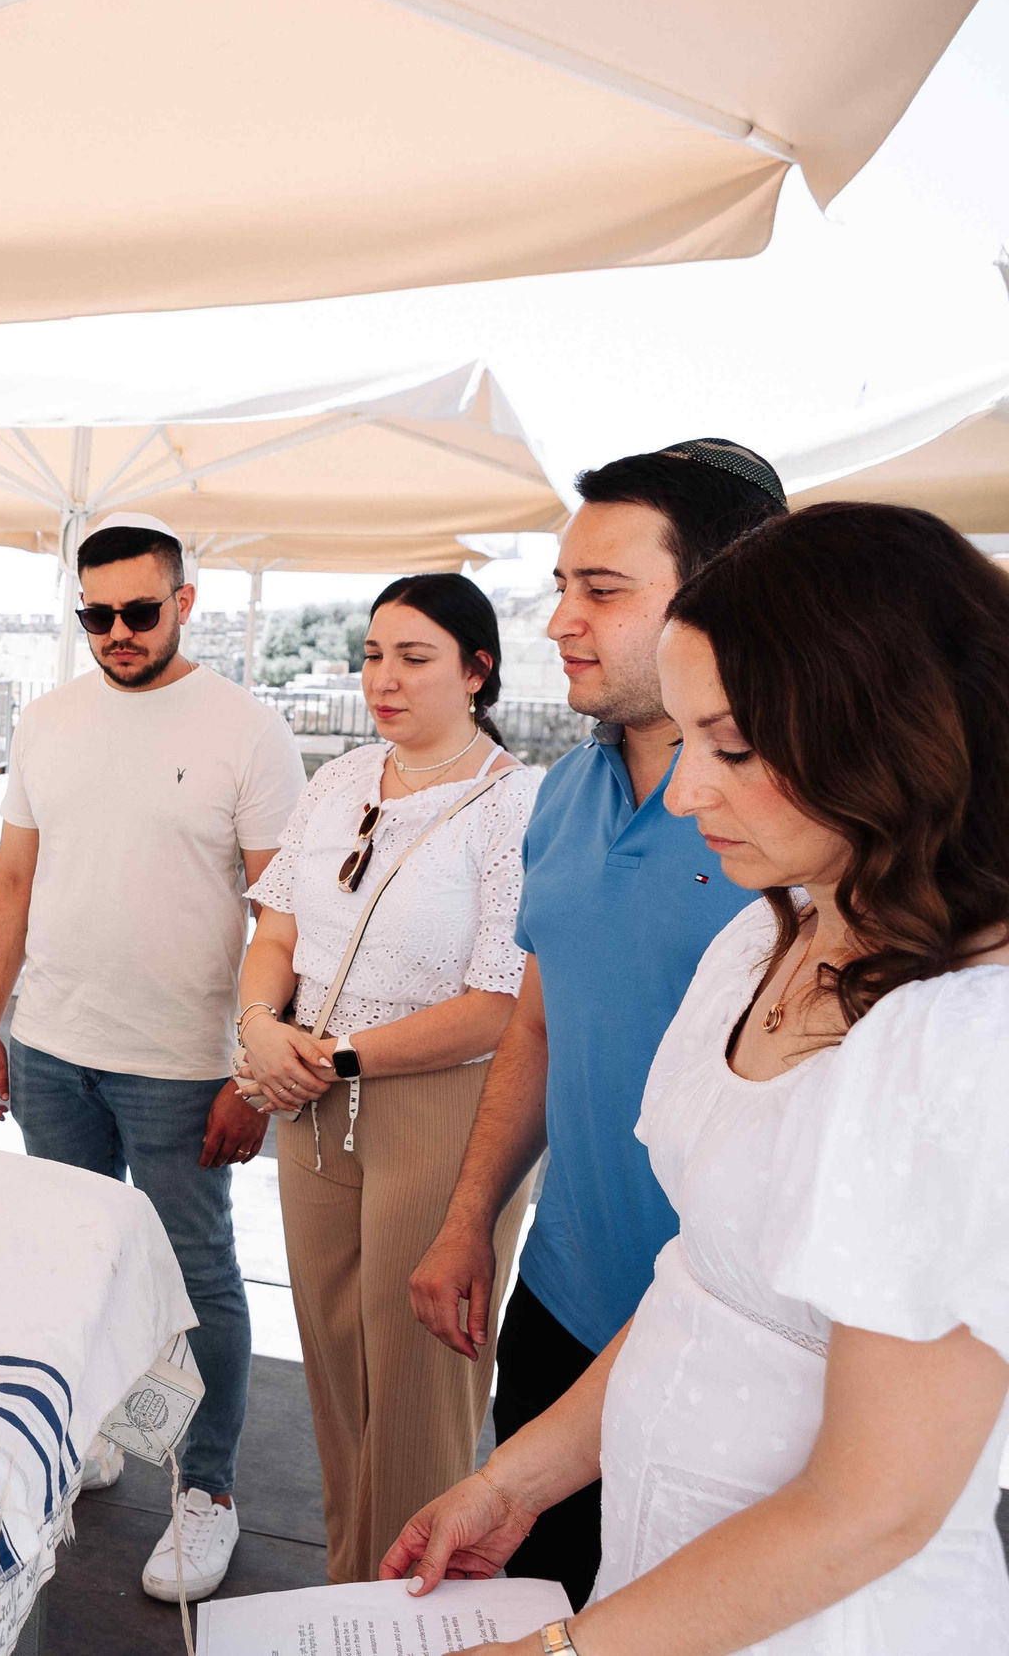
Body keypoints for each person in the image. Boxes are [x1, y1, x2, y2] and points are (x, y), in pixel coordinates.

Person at [385, 501, 1009, 1654]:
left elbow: (873, 1507)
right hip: (661, 1574)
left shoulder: (968, 1045)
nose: (686, 793)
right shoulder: (762, 939)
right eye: (682, 742)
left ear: (891, 736)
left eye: (732, 748)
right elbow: (703, 1281)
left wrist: (562, 1652)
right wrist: (517, 1480)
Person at [405, 441, 781, 1606]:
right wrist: (472, 1218)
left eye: (601, 591)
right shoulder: (564, 791)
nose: (560, 619)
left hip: (735, 1339)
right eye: (561, 586)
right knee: (533, 1591)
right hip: (565, 1304)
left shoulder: (796, 824)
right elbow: (538, 1023)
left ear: (719, 598)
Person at [0, 511, 305, 1604]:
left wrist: (250, 1076)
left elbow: (283, 916)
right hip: (51, 1049)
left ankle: (205, 1492)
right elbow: (11, 882)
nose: (117, 630)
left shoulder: (247, 730)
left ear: (184, 603)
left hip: (184, 1068)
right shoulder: (47, 720)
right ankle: (94, 1436)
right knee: (70, 1261)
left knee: (196, 1282)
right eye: (95, 613)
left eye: (138, 610)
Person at [235, 574, 540, 1582]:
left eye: (414, 658)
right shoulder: (340, 779)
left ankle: (406, 1612)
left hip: (434, 1104)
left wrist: (326, 1056)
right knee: (331, 1360)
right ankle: (344, 1593)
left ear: (476, 669)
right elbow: (275, 924)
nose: (383, 678)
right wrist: (256, 1027)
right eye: (373, 654)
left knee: (415, 1380)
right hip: (308, 1099)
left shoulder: (515, 802)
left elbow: (496, 1002)